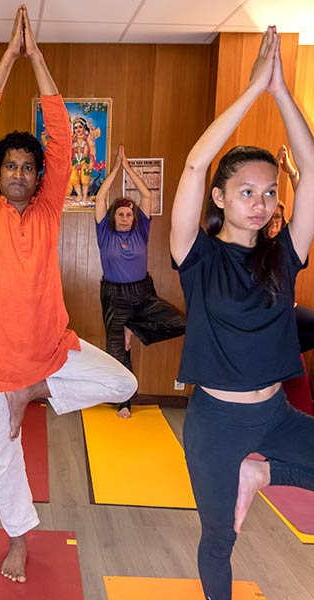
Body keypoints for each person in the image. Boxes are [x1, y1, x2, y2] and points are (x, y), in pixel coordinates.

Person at [169, 26, 314, 600]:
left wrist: (282, 91)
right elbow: (193, 164)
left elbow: (311, 167)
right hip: (215, 423)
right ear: (221, 199)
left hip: (275, 415)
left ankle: (264, 473)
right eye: (246, 192)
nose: (261, 203)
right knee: (218, 539)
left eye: (270, 193)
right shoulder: (195, 256)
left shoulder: (284, 258)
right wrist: (252, 89)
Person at [0, 5, 136, 584]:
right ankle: (18, 539)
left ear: (40, 178)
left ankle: (35, 390)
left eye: (26, 167)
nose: (17, 173)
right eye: (8, 166)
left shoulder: (47, 211)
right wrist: (8, 55)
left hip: (49, 351)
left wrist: (36, 58)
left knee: (124, 382)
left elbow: (60, 137)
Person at [94, 144, 186, 418]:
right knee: (116, 352)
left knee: (182, 323)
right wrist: (114, 170)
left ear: (135, 218)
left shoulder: (141, 231)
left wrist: (128, 169)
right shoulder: (104, 234)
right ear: (114, 217)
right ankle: (124, 401)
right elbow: (99, 200)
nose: (124, 218)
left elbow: (146, 195)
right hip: (114, 297)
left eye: (128, 214)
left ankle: (135, 328)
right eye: (120, 214)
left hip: (143, 294)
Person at [268, 146, 314, 353]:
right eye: (271, 216)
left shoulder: (287, 241)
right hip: (264, 310)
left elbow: (305, 207)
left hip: (286, 306)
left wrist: (292, 173)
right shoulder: (253, 241)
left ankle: (282, 351)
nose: (275, 221)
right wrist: (273, 169)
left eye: (278, 217)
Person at [69, 115, 100, 201]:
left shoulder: (88, 138)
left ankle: (85, 196)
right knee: (73, 178)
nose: (78, 129)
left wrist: (91, 162)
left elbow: (92, 150)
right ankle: (79, 195)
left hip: (85, 161)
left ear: (84, 128)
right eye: (75, 128)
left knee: (85, 179)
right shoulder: (72, 139)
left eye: (80, 127)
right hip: (75, 161)